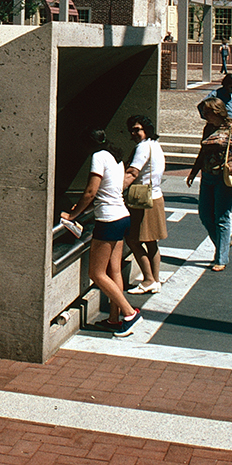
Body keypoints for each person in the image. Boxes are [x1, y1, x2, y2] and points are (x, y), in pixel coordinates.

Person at [59, 129, 141, 337]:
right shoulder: (116, 157)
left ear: (89, 145)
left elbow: (91, 191)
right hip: (122, 216)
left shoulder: (98, 157)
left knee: (96, 273)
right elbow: (109, 190)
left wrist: (72, 215)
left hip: (108, 220)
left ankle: (129, 313)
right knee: (114, 270)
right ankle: (114, 319)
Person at [186, 97, 232, 271]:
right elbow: (203, 151)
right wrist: (194, 172)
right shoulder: (208, 128)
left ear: (216, 112)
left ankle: (221, 258)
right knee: (204, 215)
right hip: (207, 176)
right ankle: (222, 241)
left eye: (206, 112)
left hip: (224, 178)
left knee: (221, 217)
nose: (204, 116)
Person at [123, 115, 167, 294]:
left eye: (137, 129)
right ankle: (155, 280)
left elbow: (133, 172)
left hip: (142, 199)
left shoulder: (142, 147)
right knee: (151, 242)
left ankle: (148, 279)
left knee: (133, 240)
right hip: (156, 196)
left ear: (146, 129)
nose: (134, 133)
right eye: (132, 130)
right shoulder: (155, 145)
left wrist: (115, 189)